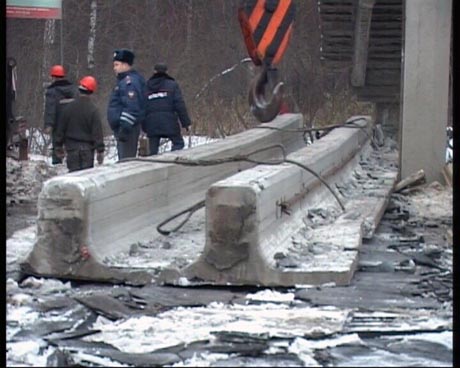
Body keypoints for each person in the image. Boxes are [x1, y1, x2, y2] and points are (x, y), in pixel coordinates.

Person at [54, 76, 105, 173]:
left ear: (79, 89)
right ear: (92, 91)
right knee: (86, 180)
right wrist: (100, 150)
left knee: (73, 179)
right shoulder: (93, 110)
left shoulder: (68, 108)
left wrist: (58, 145)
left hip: (72, 149)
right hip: (88, 151)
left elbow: (61, 128)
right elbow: (97, 133)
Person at [143, 62, 191, 155]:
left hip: (152, 123)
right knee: (178, 143)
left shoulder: (146, 86)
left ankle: (154, 167)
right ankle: (171, 160)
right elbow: (179, 105)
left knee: (153, 152)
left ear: (154, 71)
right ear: (166, 72)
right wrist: (186, 123)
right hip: (169, 122)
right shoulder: (172, 85)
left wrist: (145, 126)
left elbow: (142, 107)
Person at [107, 49, 146, 160]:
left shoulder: (129, 82)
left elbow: (132, 106)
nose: (114, 68)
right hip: (124, 128)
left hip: (127, 129)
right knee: (124, 159)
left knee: (126, 161)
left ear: (125, 65)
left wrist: (124, 128)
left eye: (117, 65)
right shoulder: (123, 81)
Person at [44, 64, 78, 164]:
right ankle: (74, 164)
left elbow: (51, 108)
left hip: (58, 123)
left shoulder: (52, 91)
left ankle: (57, 163)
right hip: (73, 123)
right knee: (72, 145)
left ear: (53, 77)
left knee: (57, 145)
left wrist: (49, 124)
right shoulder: (74, 89)